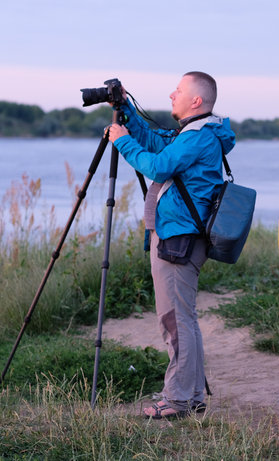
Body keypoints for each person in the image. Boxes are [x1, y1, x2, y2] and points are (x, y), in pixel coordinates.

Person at [107, 71, 235, 419]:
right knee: (183, 319)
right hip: (179, 235)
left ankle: (177, 400)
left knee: (175, 321)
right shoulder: (193, 134)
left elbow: (158, 166)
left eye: (178, 91)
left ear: (196, 101)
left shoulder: (198, 137)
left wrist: (121, 141)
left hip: (179, 237)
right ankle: (190, 395)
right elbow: (154, 142)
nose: (171, 95)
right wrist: (126, 113)